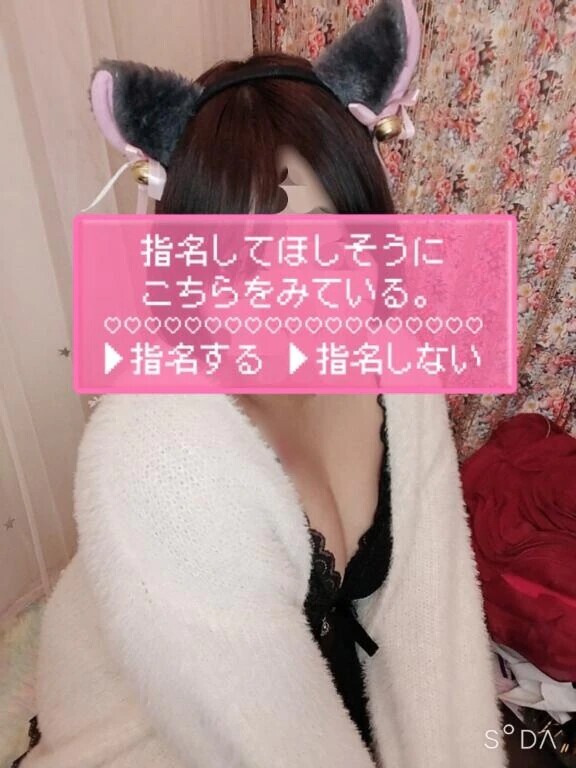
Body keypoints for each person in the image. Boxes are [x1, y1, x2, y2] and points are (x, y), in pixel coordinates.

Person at [14, 2, 506, 766]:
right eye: (244, 260)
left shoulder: (397, 370)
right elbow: (266, 744)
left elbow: (430, 618)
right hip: (158, 728)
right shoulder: (155, 459)